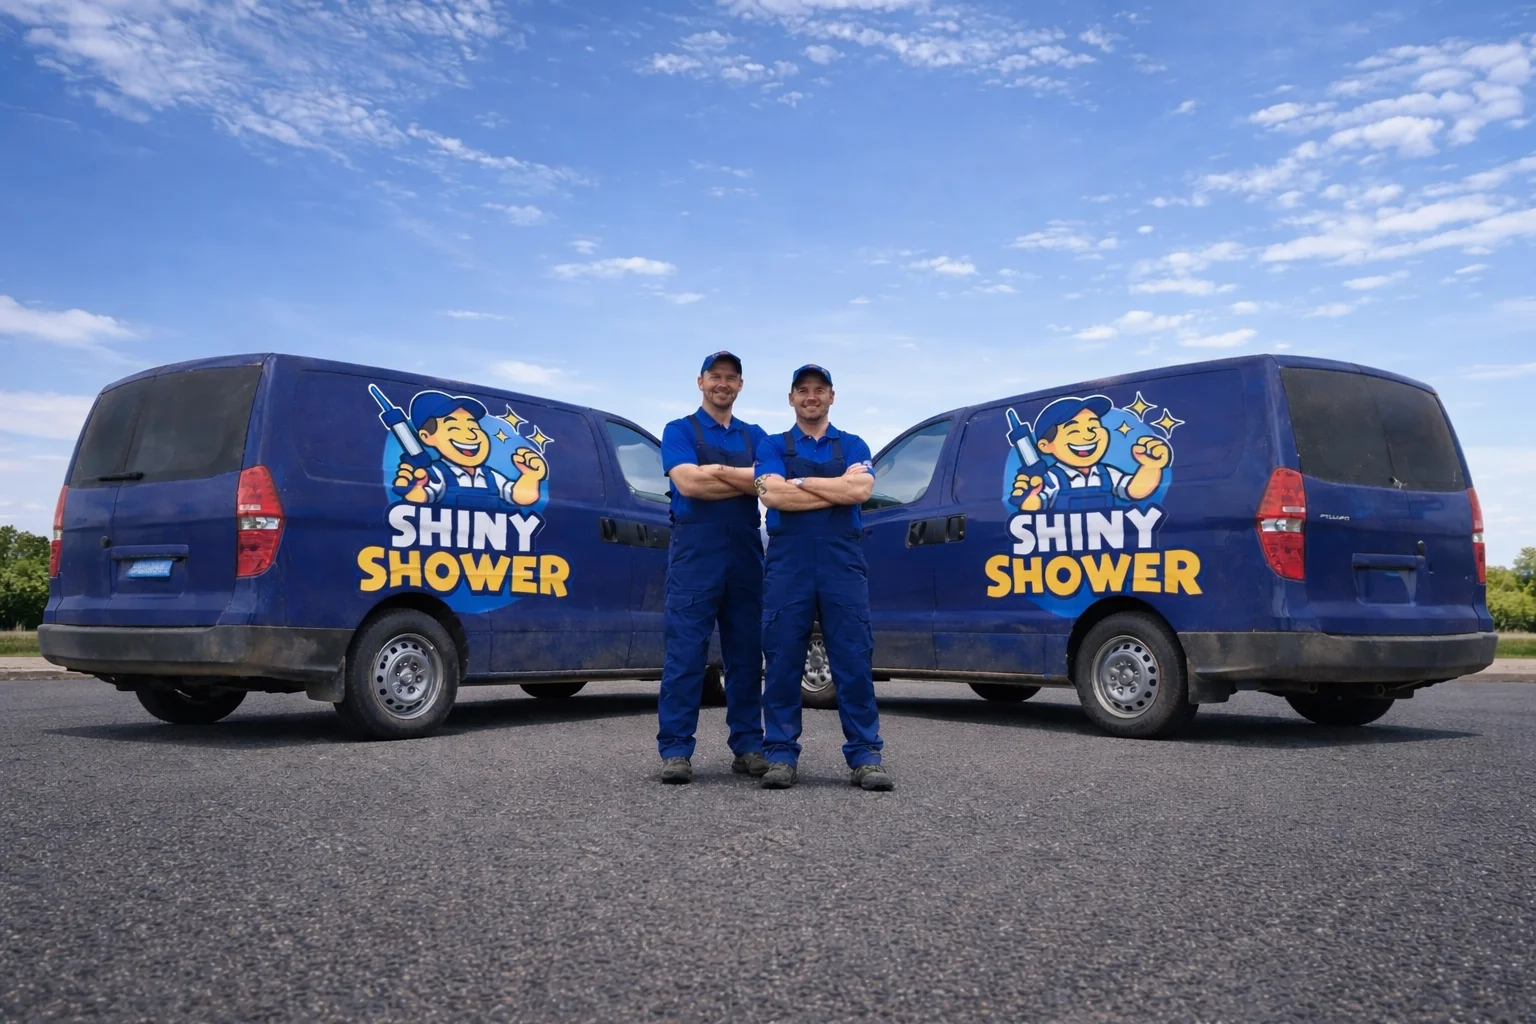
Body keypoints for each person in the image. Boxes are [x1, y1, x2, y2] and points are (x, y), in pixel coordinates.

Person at [752, 364, 894, 791]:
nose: (811, 397)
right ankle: (780, 754)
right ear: (791, 398)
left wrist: (801, 482)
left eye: (819, 390)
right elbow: (771, 494)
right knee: (781, 659)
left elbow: (860, 492)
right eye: (803, 390)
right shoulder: (771, 444)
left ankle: (866, 755)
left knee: (852, 659)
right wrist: (831, 487)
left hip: (841, 563)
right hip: (788, 563)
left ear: (832, 396)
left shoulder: (853, 443)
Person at [655, 351, 771, 784]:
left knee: (744, 656)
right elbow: (687, 482)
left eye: (731, 378)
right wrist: (743, 482)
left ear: (740, 385)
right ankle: (676, 751)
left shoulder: (756, 435)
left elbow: (768, 482)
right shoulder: (678, 430)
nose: (723, 384)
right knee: (685, 655)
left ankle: (748, 747)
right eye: (715, 377)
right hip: (695, 556)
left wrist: (716, 473)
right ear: (700, 381)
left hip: (744, 556)